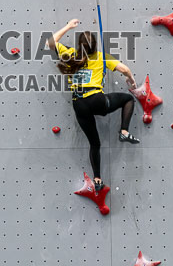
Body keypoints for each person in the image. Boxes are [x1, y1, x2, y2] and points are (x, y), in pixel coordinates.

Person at [48, 19, 139, 190]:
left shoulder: (71, 55)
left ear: (79, 45)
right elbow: (125, 69)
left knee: (95, 144)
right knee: (128, 99)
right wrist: (131, 80)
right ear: (95, 46)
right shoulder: (101, 57)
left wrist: (68, 26)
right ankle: (124, 131)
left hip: (79, 104)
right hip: (97, 100)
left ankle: (97, 179)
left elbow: (50, 42)